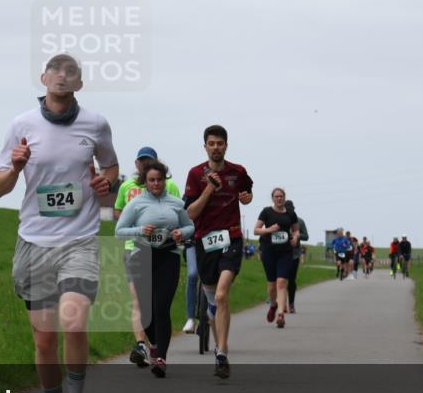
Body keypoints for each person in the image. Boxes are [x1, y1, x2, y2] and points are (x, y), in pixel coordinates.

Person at [0, 53, 118, 393]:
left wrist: (105, 184)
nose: (62, 77)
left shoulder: (95, 124)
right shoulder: (22, 125)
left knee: (74, 320)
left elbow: (111, 169)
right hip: (34, 243)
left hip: (79, 239)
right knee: (45, 340)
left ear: (79, 84)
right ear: (43, 77)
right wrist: (15, 168)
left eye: (71, 73)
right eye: (56, 71)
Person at [184, 125, 253, 379]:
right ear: (205, 147)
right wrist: (209, 188)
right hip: (204, 242)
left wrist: (246, 197)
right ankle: (217, 343)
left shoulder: (238, 171)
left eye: (220, 143)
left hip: (231, 238)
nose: (216, 147)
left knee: (222, 295)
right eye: (211, 143)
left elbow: (247, 192)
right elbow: (190, 213)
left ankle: (222, 352)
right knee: (213, 303)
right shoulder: (195, 174)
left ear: (226, 146)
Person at [114, 161, 193, 377]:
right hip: (142, 255)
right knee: (146, 310)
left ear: (165, 180)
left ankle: (161, 359)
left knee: (161, 308)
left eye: (159, 180)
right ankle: (155, 345)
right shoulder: (136, 204)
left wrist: (181, 233)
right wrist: (140, 230)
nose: (156, 184)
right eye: (151, 180)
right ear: (145, 182)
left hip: (168, 256)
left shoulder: (176, 203)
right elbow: (119, 231)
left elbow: (190, 226)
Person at [254, 188, 300, 328]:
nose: (279, 198)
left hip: (285, 252)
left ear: (285, 197)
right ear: (273, 198)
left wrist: (295, 237)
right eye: (276, 196)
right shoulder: (266, 212)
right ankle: (273, 304)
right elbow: (256, 230)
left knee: (281, 282)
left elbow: (296, 230)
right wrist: (269, 230)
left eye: (281, 196)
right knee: (272, 285)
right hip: (269, 252)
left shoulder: (290, 213)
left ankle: (280, 315)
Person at [285, 200, 308, 313]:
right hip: (280, 252)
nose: (289, 211)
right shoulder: (279, 219)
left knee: (291, 280)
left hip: (294, 253)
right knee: (279, 279)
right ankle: (278, 301)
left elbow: (306, 236)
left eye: (291, 209)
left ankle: (291, 304)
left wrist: (297, 235)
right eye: (287, 209)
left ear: (294, 209)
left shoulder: (300, 221)